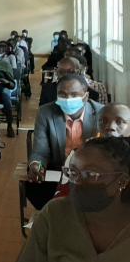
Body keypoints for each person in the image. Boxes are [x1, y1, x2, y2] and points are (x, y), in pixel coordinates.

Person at [0, 137, 130, 262]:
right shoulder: (56, 215)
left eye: (91, 174)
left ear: (122, 181)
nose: (77, 182)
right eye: (72, 172)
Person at [26, 74, 103, 209]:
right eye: (62, 94)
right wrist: (36, 164)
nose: (68, 99)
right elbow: (40, 151)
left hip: (90, 174)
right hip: (59, 170)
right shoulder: (46, 113)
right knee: (35, 187)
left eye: (74, 94)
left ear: (85, 96)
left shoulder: (101, 113)